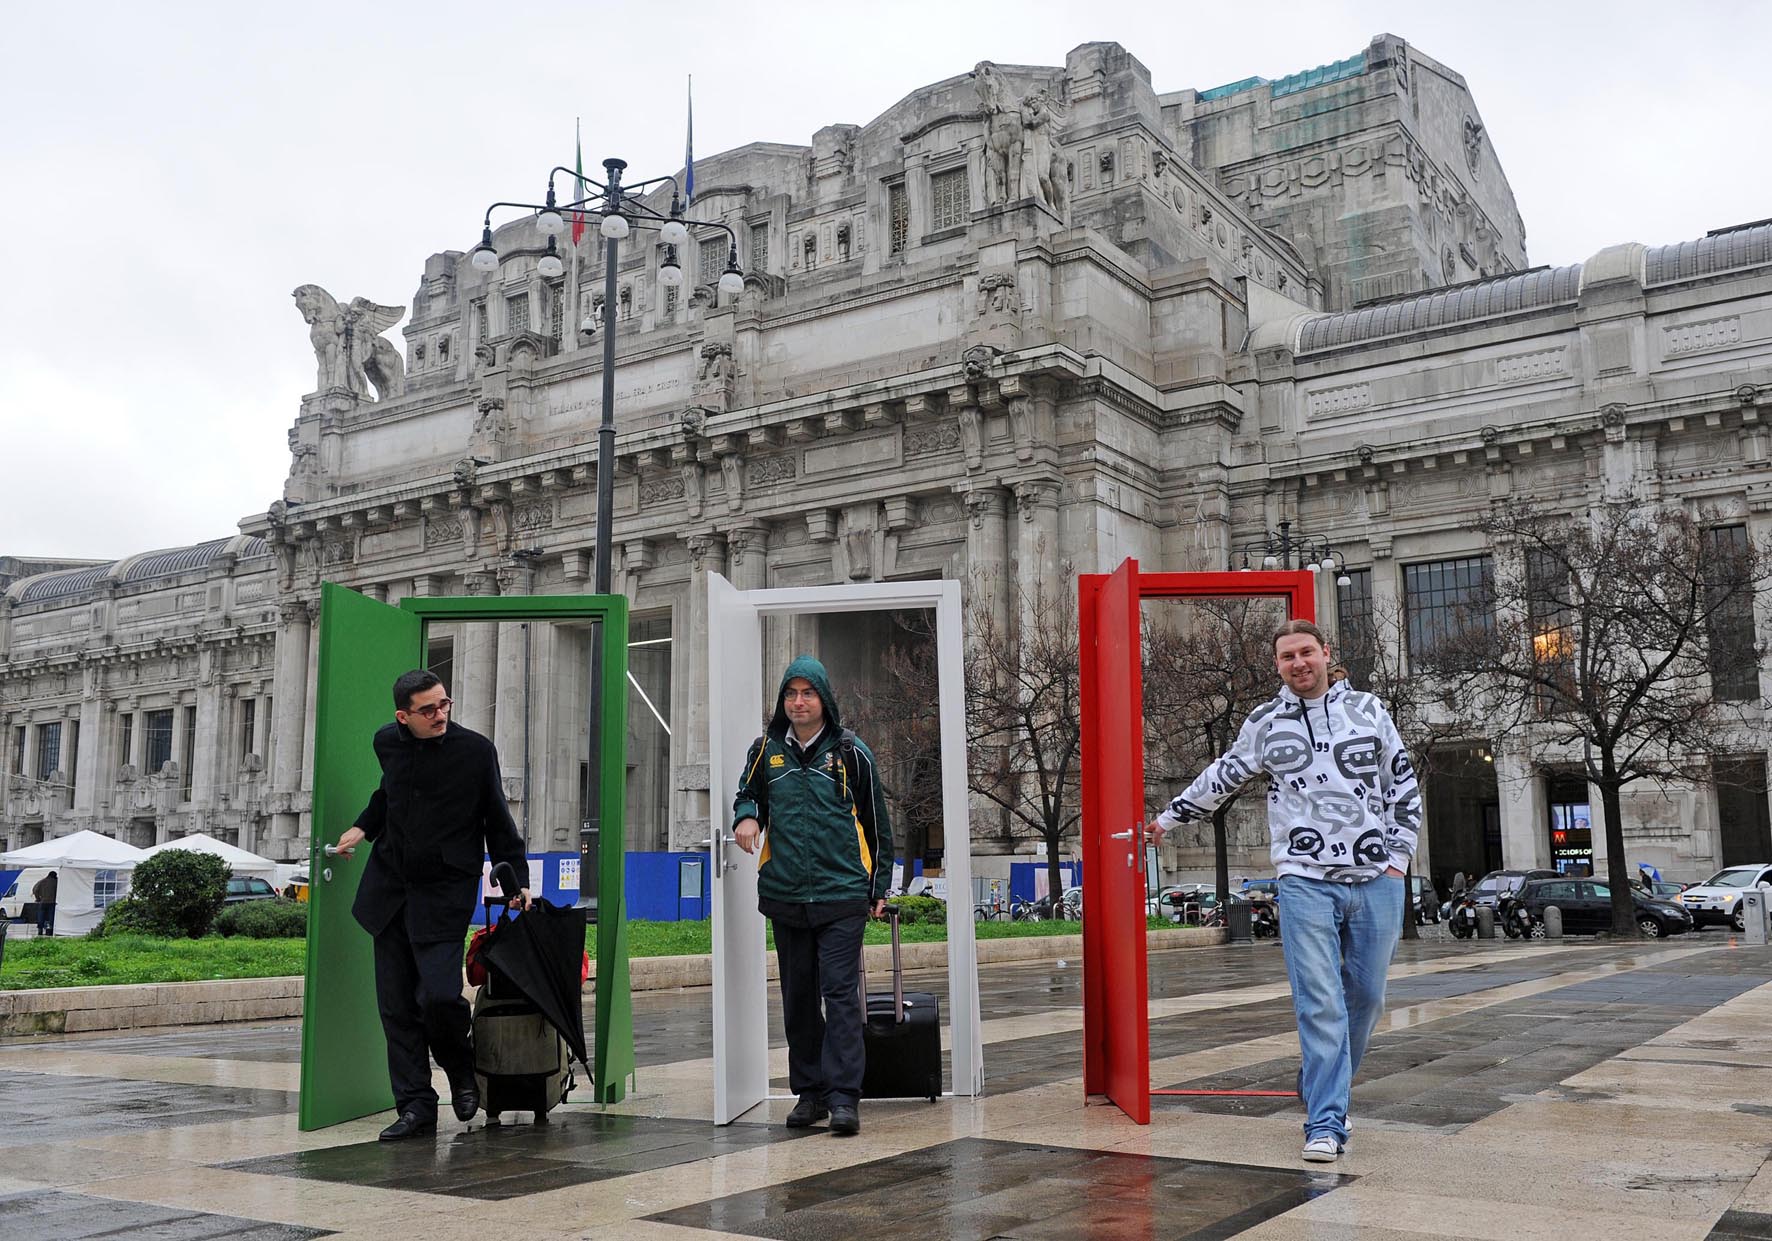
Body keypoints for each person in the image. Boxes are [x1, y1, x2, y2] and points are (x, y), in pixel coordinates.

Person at [1148, 619, 1419, 1164]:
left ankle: (1321, 1082)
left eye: (1305, 653)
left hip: (1376, 880)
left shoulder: (1368, 710)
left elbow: (1402, 782)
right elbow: (1226, 773)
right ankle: (1325, 1121)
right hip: (1303, 880)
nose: (1297, 663)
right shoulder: (1266, 721)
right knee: (1319, 1003)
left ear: (1325, 654)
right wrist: (1168, 820)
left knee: (1366, 999)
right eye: (1286, 657)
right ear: (1278, 665)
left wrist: (1397, 861)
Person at [334, 670, 531, 1142]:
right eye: (428, 710)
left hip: (443, 893)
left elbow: (497, 819)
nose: (440, 715)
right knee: (398, 1008)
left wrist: (515, 880)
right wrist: (362, 828)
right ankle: (416, 1107)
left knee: (440, 997)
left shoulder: (475, 751)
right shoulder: (388, 742)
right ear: (404, 716)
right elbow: (388, 793)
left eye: (445, 704)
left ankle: (461, 1073)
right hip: (389, 894)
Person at [731, 655, 892, 1137]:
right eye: (791, 694)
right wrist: (746, 815)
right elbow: (748, 793)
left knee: (840, 995)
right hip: (786, 895)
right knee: (799, 997)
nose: (799, 702)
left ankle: (844, 1098)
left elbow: (877, 822)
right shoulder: (766, 751)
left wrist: (879, 884)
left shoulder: (850, 752)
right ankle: (811, 1092)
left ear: (824, 699)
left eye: (808, 693)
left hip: (842, 893)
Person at [32, 870, 57, 936]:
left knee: (41, 916)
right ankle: (50, 929)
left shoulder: (41, 881)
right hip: (52, 902)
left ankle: (40, 929)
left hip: (43, 902)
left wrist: (38, 898)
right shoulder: (56, 882)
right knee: (51, 916)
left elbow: (35, 890)